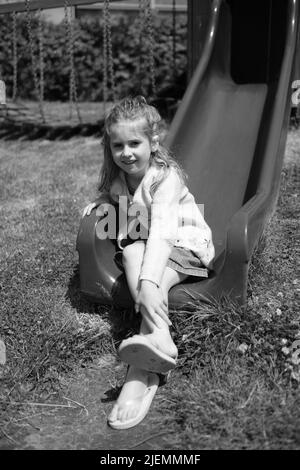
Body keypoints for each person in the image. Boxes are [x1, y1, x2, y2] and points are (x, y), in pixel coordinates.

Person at [82, 96, 215, 430]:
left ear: (153, 142)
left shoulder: (166, 179)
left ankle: (139, 373)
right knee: (128, 250)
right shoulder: (119, 180)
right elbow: (121, 211)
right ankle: (160, 337)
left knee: (147, 267)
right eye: (118, 145)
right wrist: (99, 202)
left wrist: (148, 284)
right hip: (146, 245)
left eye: (134, 143)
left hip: (185, 246)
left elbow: (163, 237)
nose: (126, 153)